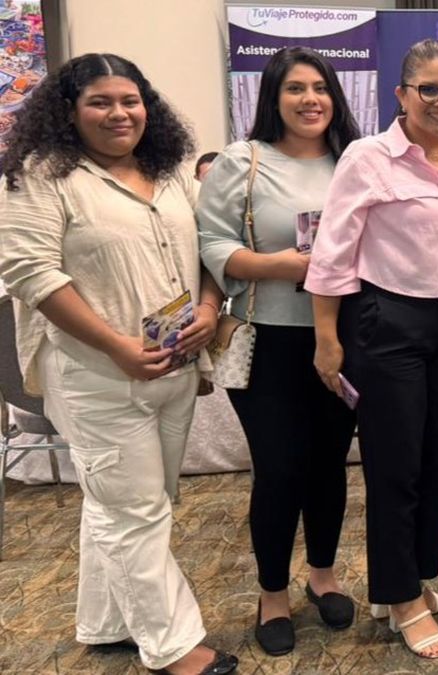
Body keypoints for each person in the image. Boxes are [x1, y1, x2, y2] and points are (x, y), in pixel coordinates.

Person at [0, 54, 235, 675]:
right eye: (100, 102)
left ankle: (103, 620)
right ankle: (174, 647)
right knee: (135, 510)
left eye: (130, 100)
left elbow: (209, 249)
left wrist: (211, 307)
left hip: (174, 365)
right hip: (96, 375)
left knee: (132, 500)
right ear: (68, 111)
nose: (119, 113)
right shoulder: (39, 176)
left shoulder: (168, 173)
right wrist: (116, 346)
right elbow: (29, 273)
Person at [304, 39, 438, 660]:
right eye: (428, 90)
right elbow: (331, 253)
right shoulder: (369, 156)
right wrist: (328, 342)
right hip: (382, 321)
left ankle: (408, 576)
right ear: (401, 95)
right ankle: (401, 599)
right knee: (396, 465)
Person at [196, 47, 360, 656]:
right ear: (273, 97)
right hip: (269, 341)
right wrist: (282, 264)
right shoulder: (245, 162)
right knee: (280, 469)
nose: (310, 99)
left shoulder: (354, 160)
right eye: (295, 88)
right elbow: (211, 243)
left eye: (319, 87)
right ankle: (272, 593)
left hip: (343, 338)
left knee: (330, 464)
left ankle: (323, 576)